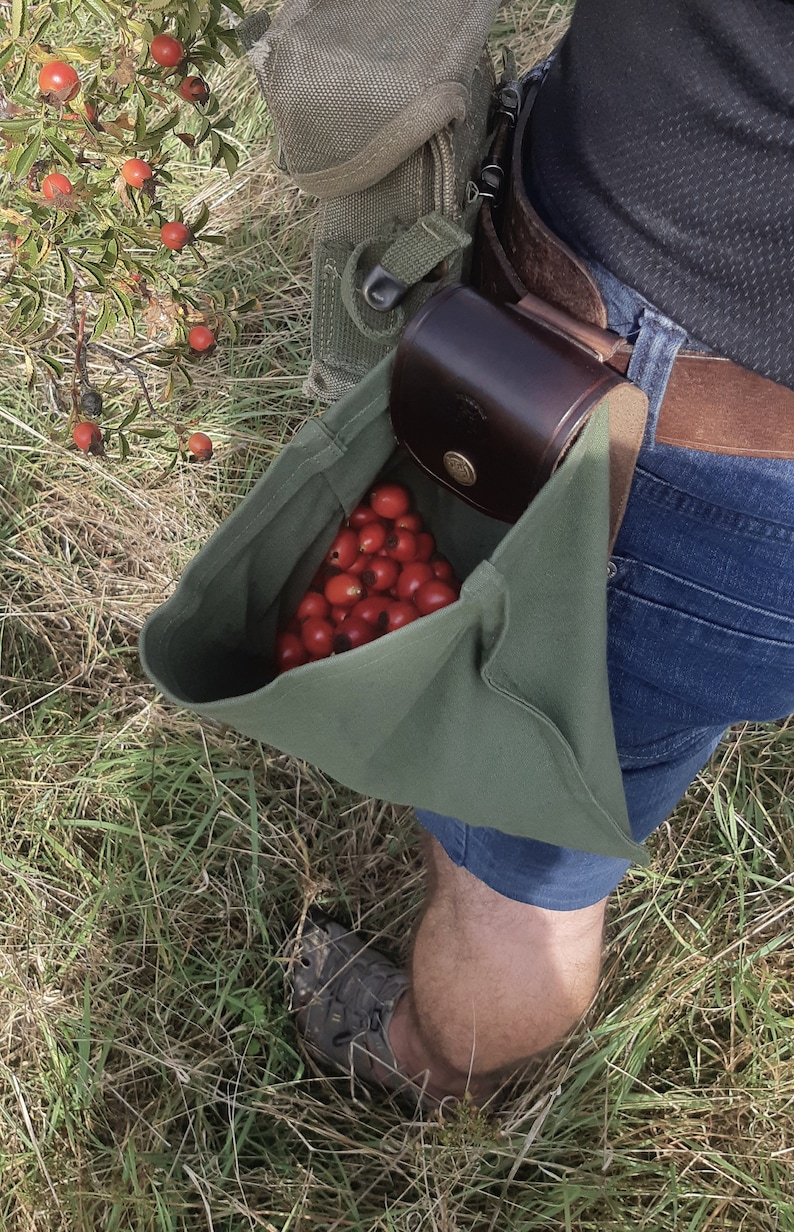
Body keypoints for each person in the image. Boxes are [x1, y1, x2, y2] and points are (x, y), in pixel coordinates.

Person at [291, 0, 794, 1107]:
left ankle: (431, 1067)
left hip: (676, 399)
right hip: (716, 406)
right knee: (650, 709)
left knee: (518, 867)